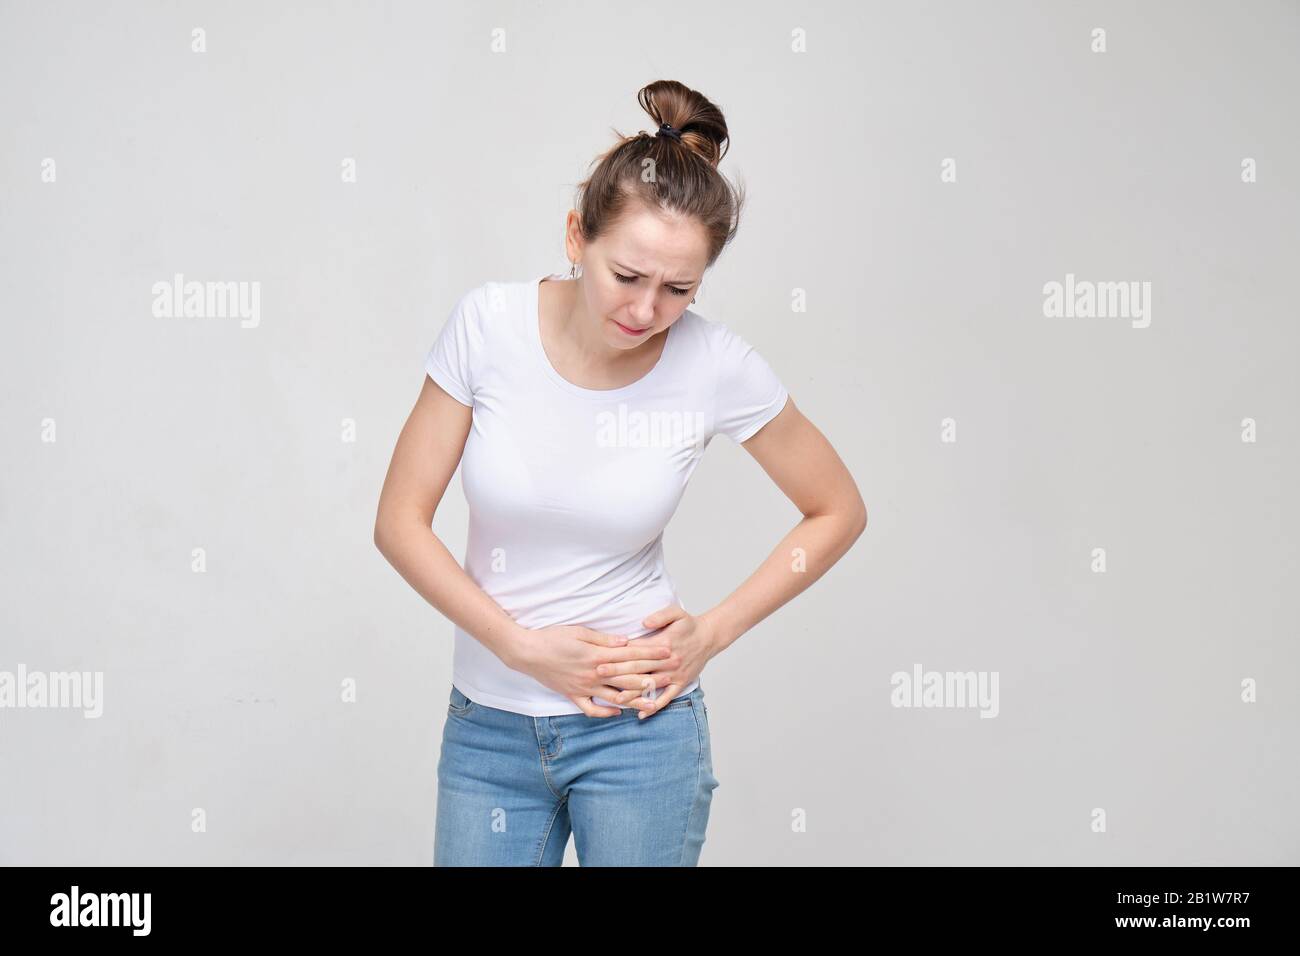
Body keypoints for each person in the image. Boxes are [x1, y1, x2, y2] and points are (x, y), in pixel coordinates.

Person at [374, 80, 867, 866]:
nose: (645, 311)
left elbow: (836, 508)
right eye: (627, 276)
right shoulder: (487, 327)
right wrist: (519, 646)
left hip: (643, 734)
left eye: (679, 290)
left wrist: (713, 631)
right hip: (490, 731)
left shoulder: (714, 364)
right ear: (576, 236)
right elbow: (398, 522)